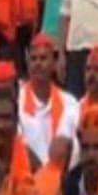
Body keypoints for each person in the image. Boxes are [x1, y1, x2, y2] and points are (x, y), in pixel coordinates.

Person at [17, 34, 80, 168]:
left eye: (43, 58)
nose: (38, 63)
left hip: (62, 172)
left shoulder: (69, 102)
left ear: (54, 64)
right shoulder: (17, 100)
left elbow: (75, 145)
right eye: (33, 59)